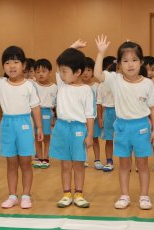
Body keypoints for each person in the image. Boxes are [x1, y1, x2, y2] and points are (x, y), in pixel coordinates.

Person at [0, 44, 44, 209]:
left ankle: (26, 195)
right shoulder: (0, 83)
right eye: (7, 63)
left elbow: (35, 107)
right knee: (11, 163)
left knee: (26, 162)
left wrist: (39, 127)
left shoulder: (29, 85)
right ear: (3, 66)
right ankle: (12, 195)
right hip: (7, 124)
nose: (11, 66)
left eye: (15, 62)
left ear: (24, 65)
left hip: (25, 124)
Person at [94, 35, 154, 210]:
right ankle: (124, 195)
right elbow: (97, 74)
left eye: (135, 60)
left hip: (141, 127)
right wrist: (101, 53)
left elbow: (153, 108)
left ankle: (144, 196)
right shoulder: (115, 80)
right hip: (122, 126)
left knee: (142, 163)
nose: (130, 64)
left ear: (141, 62)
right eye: (125, 61)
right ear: (119, 65)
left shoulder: (147, 84)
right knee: (124, 163)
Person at [49, 40, 94, 208]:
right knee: (65, 164)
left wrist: (89, 134)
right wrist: (72, 47)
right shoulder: (62, 83)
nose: (61, 74)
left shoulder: (86, 90)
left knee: (78, 163)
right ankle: (67, 193)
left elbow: (90, 115)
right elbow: (61, 60)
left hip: (78, 129)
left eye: (64, 71)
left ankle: (79, 194)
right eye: (60, 71)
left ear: (77, 72)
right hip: (61, 127)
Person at [32, 59, 57, 169]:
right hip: (34, 112)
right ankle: (39, 157)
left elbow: (56, 105)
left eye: (43, 71)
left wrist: (54, 119)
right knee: (37, 136)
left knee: (46, 136)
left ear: (50, 72)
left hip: (47, 113)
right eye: (37, 72)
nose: (41, 74)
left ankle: (45, 157)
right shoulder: (32, 85)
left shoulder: (54, 87)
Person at [81, 57, 103, 170]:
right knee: (81, 139)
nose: (85, 73)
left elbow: (99, 103)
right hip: (80, 119)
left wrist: (99, 118)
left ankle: (97, 160)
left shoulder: (97, 86)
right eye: (83, 70)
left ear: (93, 72)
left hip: (93, 119)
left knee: (95, 139)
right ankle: (83, 159)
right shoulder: (78, 86)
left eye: (89, 70)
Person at [96, 56, 117, 172]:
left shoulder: (120, 81)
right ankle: (109, 161)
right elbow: (99, 104)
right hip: (108, 112)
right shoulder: (101, 85)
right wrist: (100, 118)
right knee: (109, 138)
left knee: (124, 139)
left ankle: (128, 161)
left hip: (120, 112)